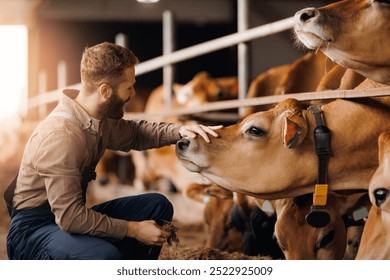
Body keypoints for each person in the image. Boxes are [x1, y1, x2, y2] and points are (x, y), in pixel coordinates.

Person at [5, 42, 222, 260]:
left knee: (158, 207)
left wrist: (181, 131)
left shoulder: (96, 120)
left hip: (62, 220)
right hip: (32, 233)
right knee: (104, 256)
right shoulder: (61, 136)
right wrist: (134, 229)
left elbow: (136, 134)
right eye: (128, 87)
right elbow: (70, 218)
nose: (134, 93)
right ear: (105, 91)